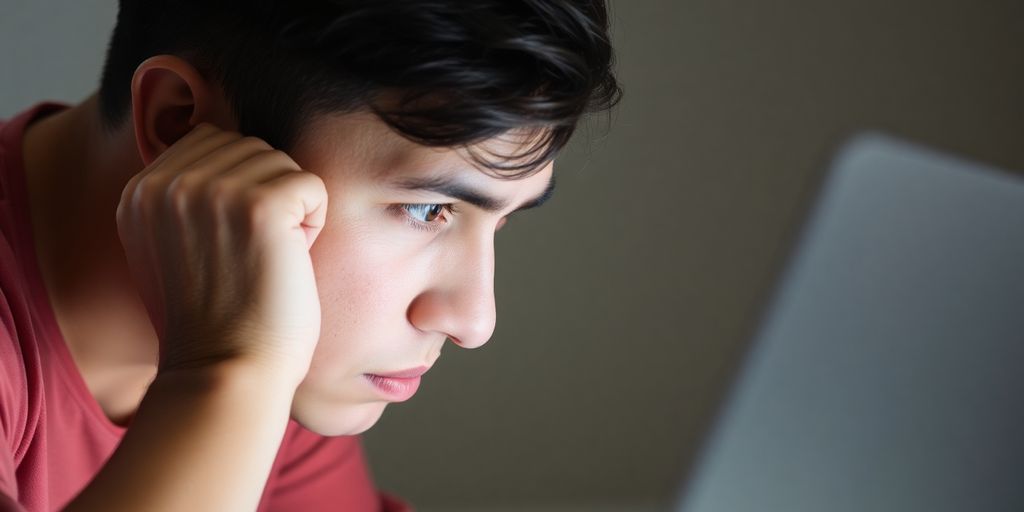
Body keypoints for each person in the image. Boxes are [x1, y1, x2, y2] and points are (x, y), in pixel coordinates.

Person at [0, 0, 621, 510]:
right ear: (181, 125)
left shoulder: (280, 351)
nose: (473, 320)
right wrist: (227, 373)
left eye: (503, 221)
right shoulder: (250, 353)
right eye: (429, 209)